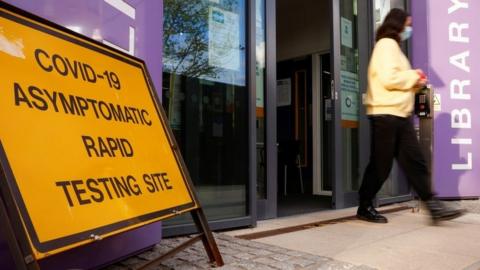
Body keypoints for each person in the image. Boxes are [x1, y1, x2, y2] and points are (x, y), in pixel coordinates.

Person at [356, 8, 464, 224]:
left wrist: (415, 83)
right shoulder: (386, 45)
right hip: (385, 114)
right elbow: (388, 78)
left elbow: (396, 81)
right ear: (398, 24)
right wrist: (414, 75)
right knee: (381, 165)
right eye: (408, 24)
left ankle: (434, 208)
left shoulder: (394, 48)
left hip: (400, 115)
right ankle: (364, 205)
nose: (409, 28)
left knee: (416, 161)